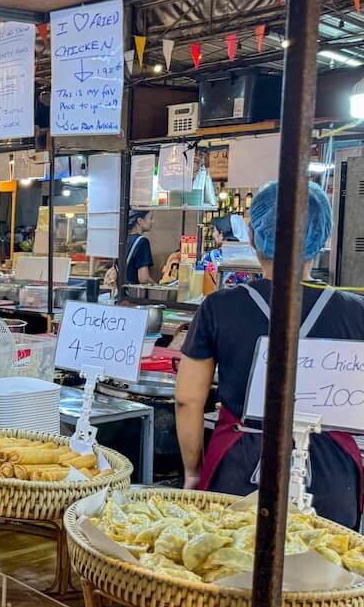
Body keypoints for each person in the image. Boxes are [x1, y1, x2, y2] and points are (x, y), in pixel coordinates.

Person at [175, 181, 364, 528]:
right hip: (333, 474)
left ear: (252, 236)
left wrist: (193, 471)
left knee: (233, 572)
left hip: (242, 466)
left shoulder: (220, 306)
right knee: (329, 573)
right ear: (321, 239)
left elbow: (188, 399)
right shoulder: (357, 311)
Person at [125, 210, 154, 285]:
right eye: (150, 218)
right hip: (132, 293)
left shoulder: (124, 239)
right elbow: (144, 279)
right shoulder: (142, 242)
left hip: (121, 291)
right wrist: (157, 286)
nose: (152, 221)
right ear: (140, 221)